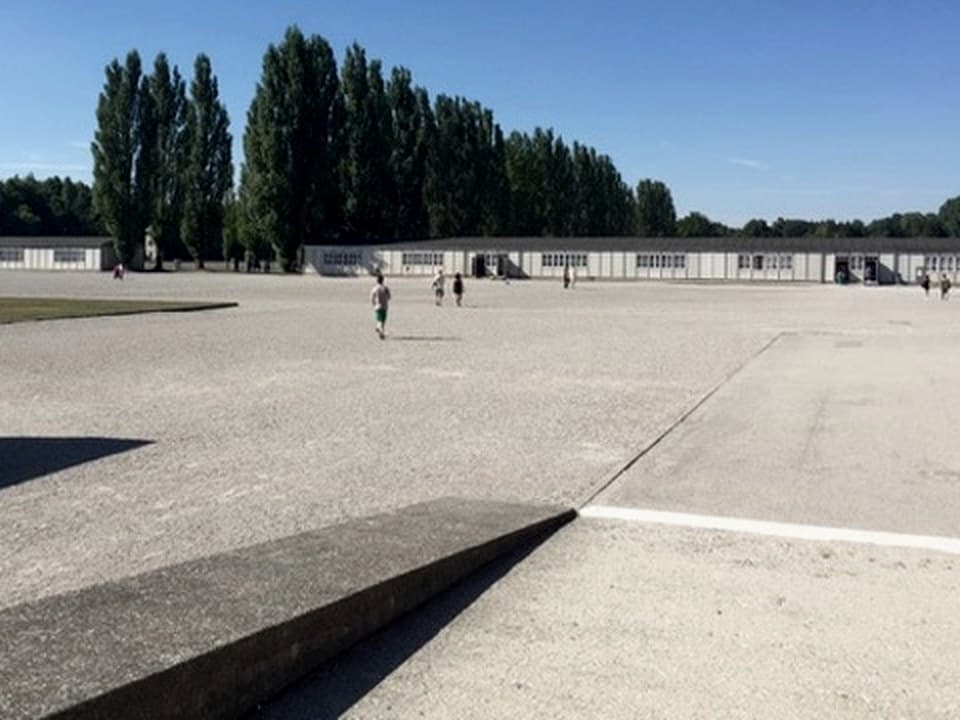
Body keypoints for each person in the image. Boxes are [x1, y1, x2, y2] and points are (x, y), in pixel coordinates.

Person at [370, 273, 391, 339]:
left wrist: (373, 304)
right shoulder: (385, 288)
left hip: (377, 306)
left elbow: (371, 297)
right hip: (384, 306)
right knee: (382, 321)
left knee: (379, 320)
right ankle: (381, 333)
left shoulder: (374, 288)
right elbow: (389, 297)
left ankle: (379, 328)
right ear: (383, 280)